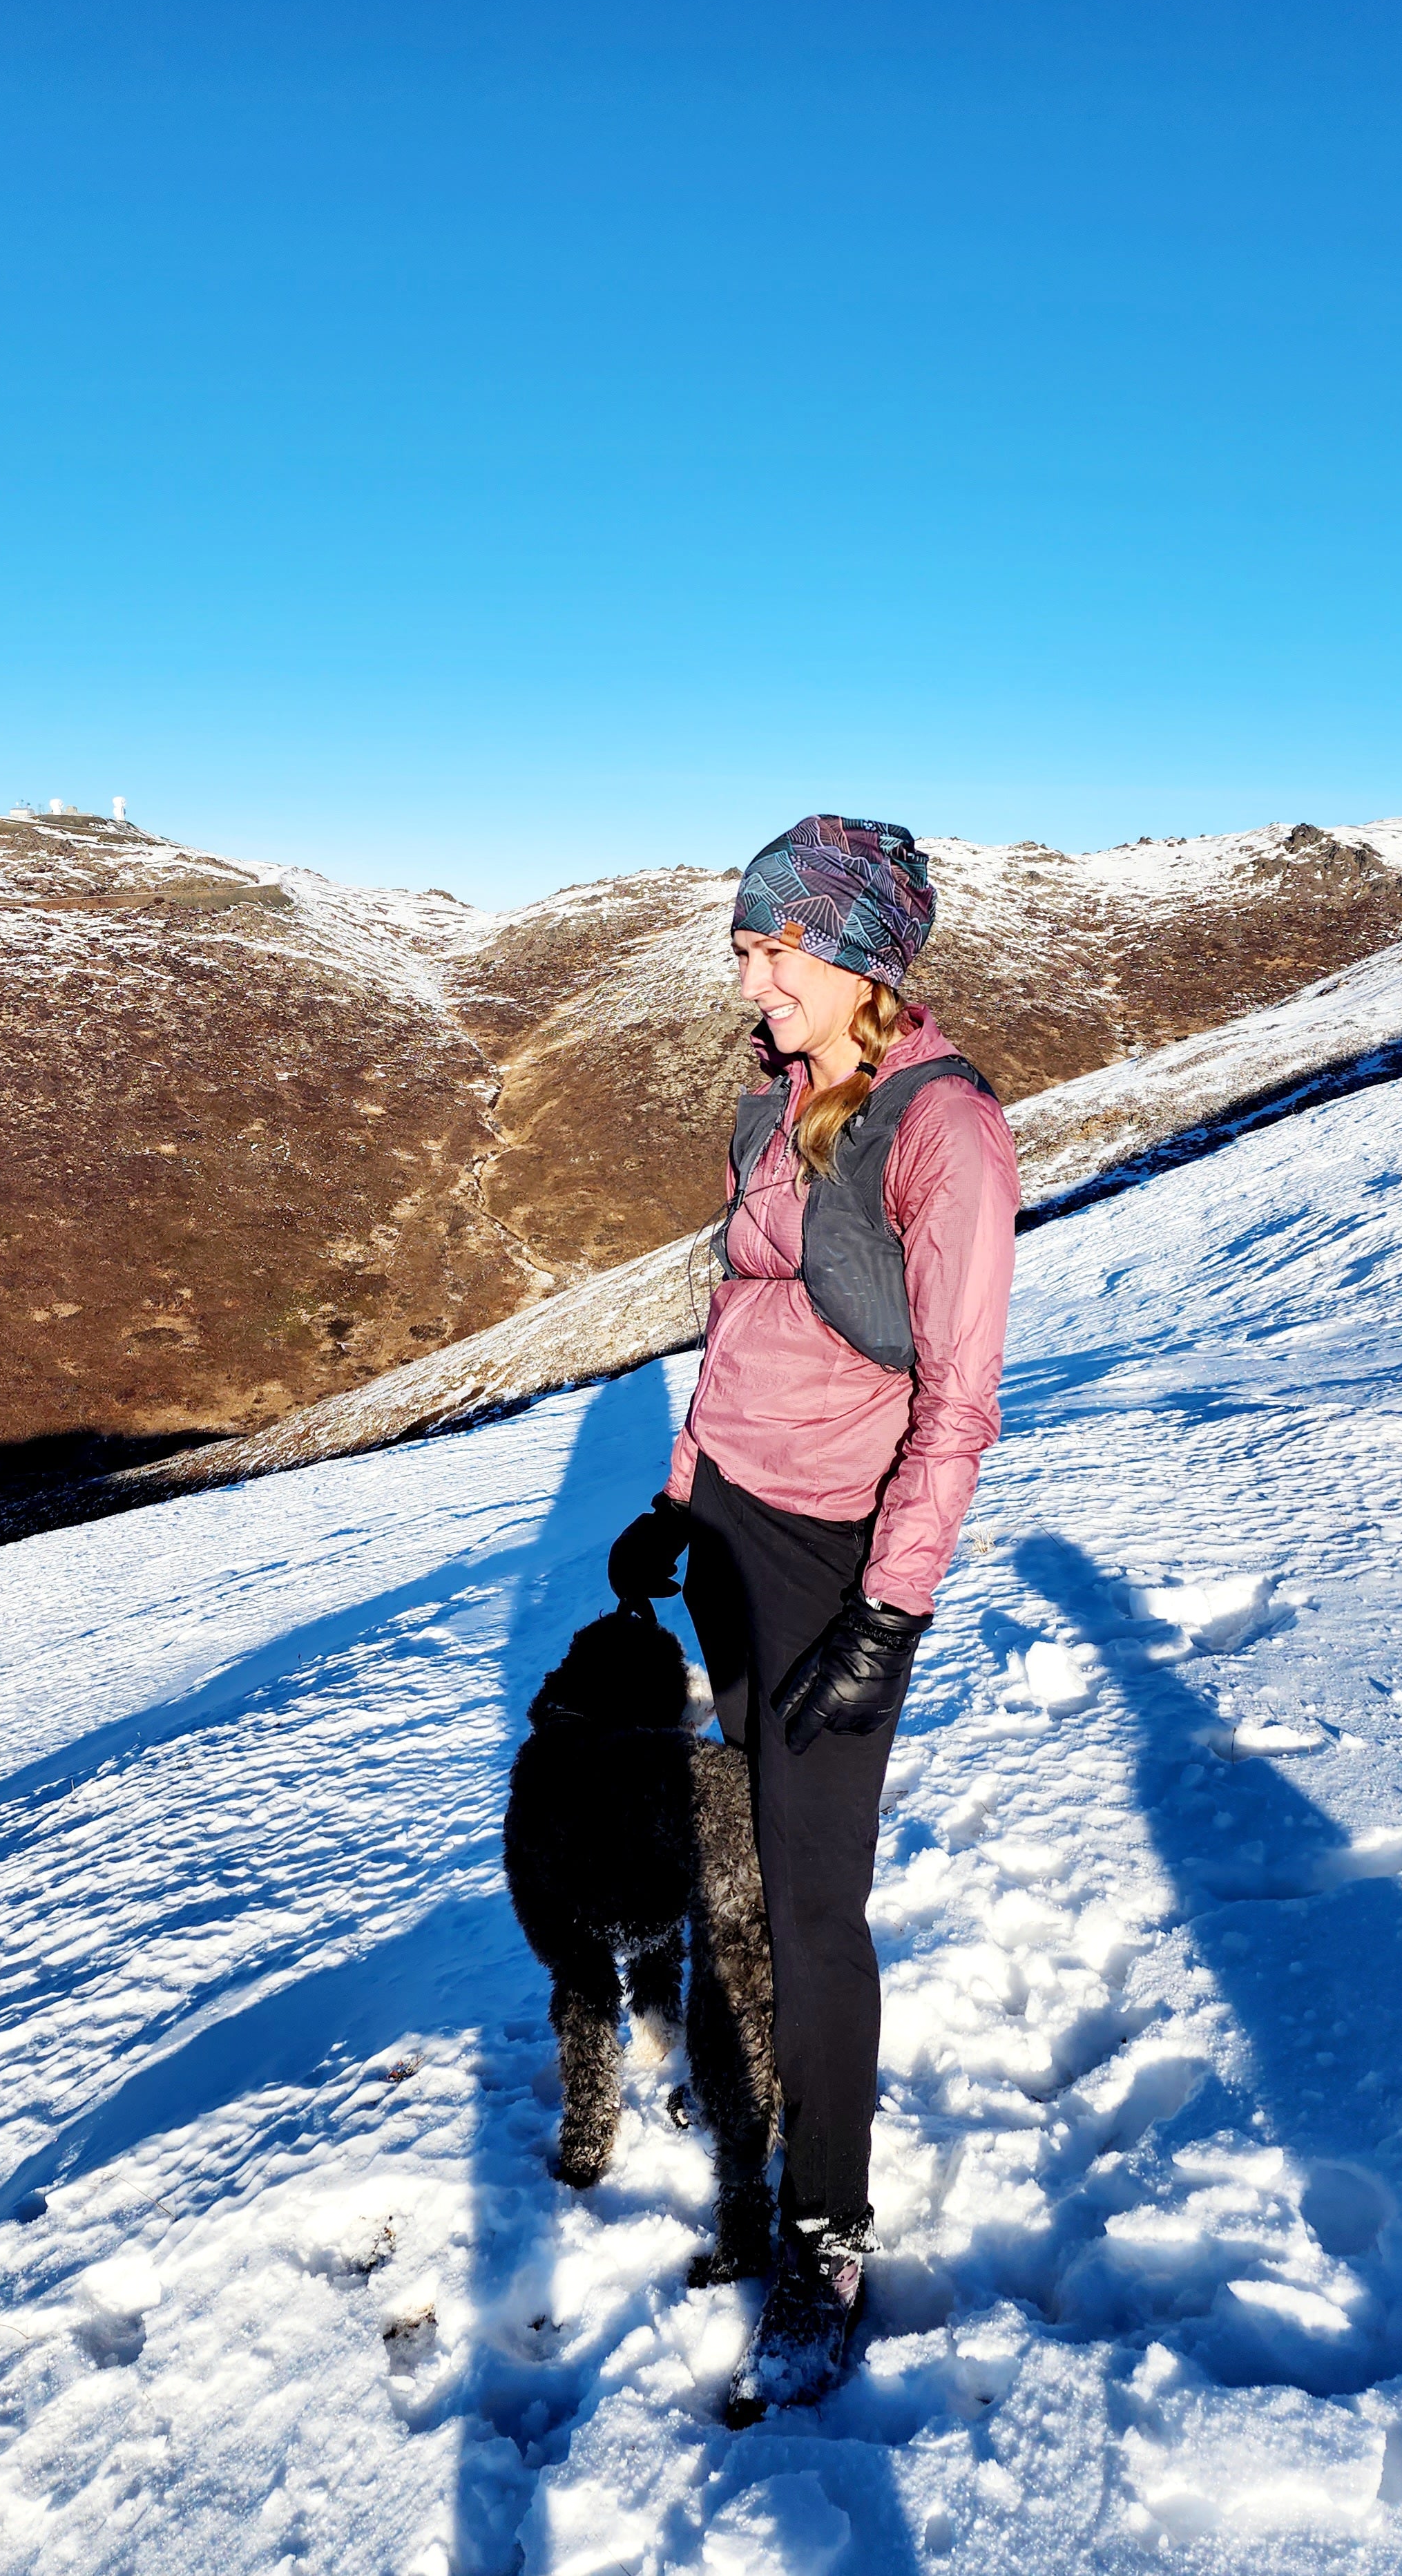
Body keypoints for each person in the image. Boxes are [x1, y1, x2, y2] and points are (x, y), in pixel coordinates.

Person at [608, 814, 1019, 2422]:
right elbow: (733, 1314)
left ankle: (826, 2232)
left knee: (811, 1904)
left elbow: (964, 1403)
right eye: (740, 945)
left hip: (835, 1557)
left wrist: (889, 1615)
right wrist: (677, 1490)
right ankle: (756, 2106)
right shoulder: (774, 1102)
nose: (742, 972)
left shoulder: (945, 1131)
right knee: (748, 1862)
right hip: (726, 1530)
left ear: (851, 958)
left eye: (765, 946)